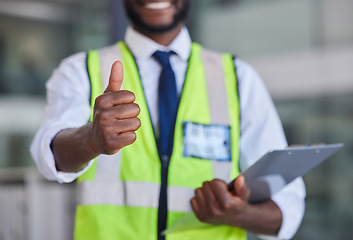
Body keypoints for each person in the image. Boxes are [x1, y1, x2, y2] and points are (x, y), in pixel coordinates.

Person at [30, 0, 306, 240]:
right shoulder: (81, 70)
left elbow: (287, 208)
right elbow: (49, 156)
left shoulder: (238, 78)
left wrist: (240, 214)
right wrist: (90, 140)